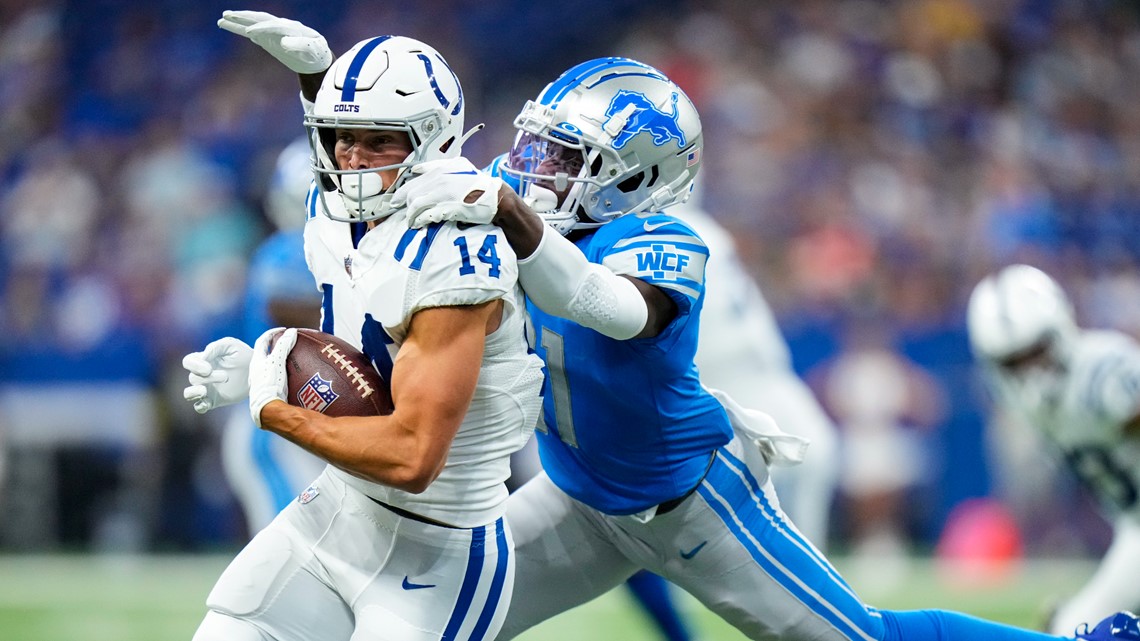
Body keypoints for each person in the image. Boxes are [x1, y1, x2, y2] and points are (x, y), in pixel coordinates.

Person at [399, 57, 1139, 640]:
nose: (533, 169)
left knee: (859, 636)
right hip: (577, 496)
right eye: (537, 148)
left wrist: (511, 220)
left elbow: (607, 305)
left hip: (688, 503)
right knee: (431, 618)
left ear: (636, 177)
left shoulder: (662, 238)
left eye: (564, 158)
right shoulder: (517, 206)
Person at [182, 22, 543, 641]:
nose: (352, 159)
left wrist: (274, 404)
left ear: (435, 145)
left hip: (438, 550)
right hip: (336, 512)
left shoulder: (456, 254)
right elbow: (352, 157)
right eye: (339, 140)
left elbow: (412, 457)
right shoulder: (331, 203)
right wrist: (314, 76)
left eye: (380, 142)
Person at [967, 264, 1140, 635]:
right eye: (1014, 362)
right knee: (1069, 627)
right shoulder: (1022, 404)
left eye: (1036, 353)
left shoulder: (1103, 374)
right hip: (1133, 529)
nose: (1030, 372)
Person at [677, 197, 839, 550]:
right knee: (750, 483)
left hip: (762, 372)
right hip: (721, 381)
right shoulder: (656, 232)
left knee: (817, 452)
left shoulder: (703, 229)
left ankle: (809, 565)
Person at [218, 137, 325, 534]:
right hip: (275, 423)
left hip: (305, 420)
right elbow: (299, 315)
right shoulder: (286, 252)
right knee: (293, 547)